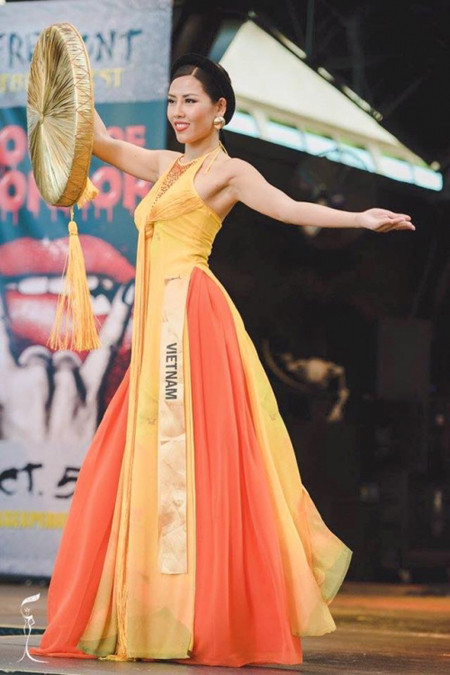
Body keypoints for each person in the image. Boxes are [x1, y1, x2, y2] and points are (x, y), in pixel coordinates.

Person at [32, 53, 415, 668]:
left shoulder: (229, 172)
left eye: (190, 101)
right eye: (172, 101)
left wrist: (360, 218)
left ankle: (198, 615)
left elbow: (289, 208)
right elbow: (97, 142)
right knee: (143, 462)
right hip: (155, 325)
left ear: (220, 110)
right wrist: (68, 85)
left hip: (188, 320)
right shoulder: (165, 166)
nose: (178, 112)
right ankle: (156, 611)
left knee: (187, 464)